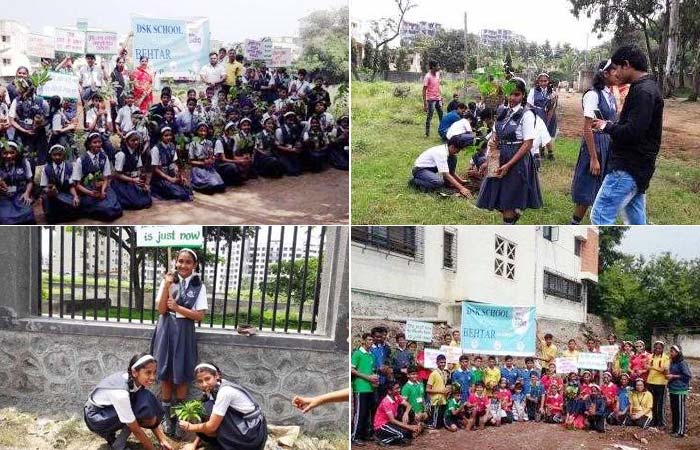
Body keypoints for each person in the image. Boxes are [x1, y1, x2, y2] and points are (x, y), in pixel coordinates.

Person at [591, 45, 664, 225]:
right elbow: (637, 127)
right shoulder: (645, 88)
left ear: (626, 65)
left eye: (616, 68)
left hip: (627, 168)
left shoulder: (643, 91)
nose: (615, 73)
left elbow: (632, 133)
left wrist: (606, 126)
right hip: (638, 168)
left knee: (600, 216)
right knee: (636, 221)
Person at [151, 249, 208, 438]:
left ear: (195, 265)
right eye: (180, 261)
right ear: (175, 262)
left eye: (188, 262)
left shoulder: (199, 286)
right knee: (166, 374)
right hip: (166, 330)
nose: (183, 265)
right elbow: (160, 310)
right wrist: (167, 285)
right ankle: (167, 418)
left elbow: (199, 316)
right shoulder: (167, 281)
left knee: (182, 375)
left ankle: (179, 420)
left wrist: (178, 308)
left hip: (184, 332)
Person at [476, 77, 542, 224]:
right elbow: (495, 136)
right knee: (498, 197)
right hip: (500, 157)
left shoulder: (527, 114)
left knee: (508, 200)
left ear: (523, 95)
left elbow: (528, 144)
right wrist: (488, 160)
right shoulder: (501, 111)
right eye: (510, 94)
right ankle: (514, 215)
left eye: (517, 94)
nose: (512, 98)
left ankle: (509, 223)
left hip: (516, 160)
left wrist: (509, 165)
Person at [83, 353, 171, 450]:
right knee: (134, 413)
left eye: (154, 372)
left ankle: (115, 442)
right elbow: (135, 429)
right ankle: (117, 445)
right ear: (134, 372)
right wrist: (151, 448)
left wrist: (162, 440)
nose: (153, 377)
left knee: (145, 399)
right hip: (96, 417)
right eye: (148, 372)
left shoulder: (135, 381)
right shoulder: (121, 394)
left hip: (108, 411)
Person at [571, 60, 619, 225]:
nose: (618, 74)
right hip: (596, 144)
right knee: (587, 188)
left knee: (603, 188)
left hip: (608, 144)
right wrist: (593, 157)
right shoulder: (593, 95)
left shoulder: (610, 95)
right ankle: (574, 224)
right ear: (605, 74)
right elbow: (587, 128)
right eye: (614, 71)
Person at [179, 363, 267, 450]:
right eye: (200, 381)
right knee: (205, 407)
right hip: (244, 427)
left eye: (207, 379)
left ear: (217, 375)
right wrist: (194, 444)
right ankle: (222, 442)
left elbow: (211, 426)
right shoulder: (212, 389)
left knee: (208, 412)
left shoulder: (225, 392)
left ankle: (234, 445)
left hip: (252, 434)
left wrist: (189, 427)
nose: (204, 384)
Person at [71, 133, 122, 221]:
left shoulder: (104, 157)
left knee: (115, 206)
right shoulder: (81, 160)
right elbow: (77, 184)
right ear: (89, 144)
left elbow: (106, 178)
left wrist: (103, 190)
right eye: (95, 142)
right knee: (106, 210)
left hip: (101, 187)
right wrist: (90, 193)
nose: (98, 144)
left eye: (99, 142)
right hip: (87, 191)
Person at [408, 134, 473, 197]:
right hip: (420, 170)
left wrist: (461, 181)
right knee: (438, 182)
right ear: (452, 146)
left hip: (430, 169)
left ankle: (447, 184)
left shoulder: (448, 153)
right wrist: (462, 188)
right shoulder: (441, 153)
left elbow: (451, 172)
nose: (458, 152)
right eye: (458, 150)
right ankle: (415, 182)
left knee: (453, 158)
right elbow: (446, 174)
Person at [111, 130, 152, 210]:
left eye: (137, 140)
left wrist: (143, 183)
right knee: (136, 203)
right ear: (126, 141)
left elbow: (139, 168)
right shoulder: (122, 154)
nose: (136, 142)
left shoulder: (136, 152)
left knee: (146, 198)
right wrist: (133, 180)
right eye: (132, 140)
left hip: (133, 180)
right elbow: (117, 174)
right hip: (122, 182)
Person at [150, 127, 192, 201]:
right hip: (160, 178)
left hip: (170, 175)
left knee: (188, 190)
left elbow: (174, 163)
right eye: (166, 135)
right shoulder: (156, 149)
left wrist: (180, 176)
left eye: (170, 135)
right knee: (181, 194)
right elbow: (155, 168)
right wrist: (169, 179)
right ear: (161, 136)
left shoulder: (172, 146)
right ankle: (156, 189)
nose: (168, 137)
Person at [40, 144, 79, 223]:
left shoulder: (70, 167)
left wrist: (75, 196)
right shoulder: (46, 168)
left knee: (75, 208)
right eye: (54, 155)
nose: (57, 157)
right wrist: (49, 190)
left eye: (59, 155)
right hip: (52, 196)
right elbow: (44, 186)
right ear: (51, 155)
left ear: (64, 155)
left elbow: (71, 186)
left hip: (66, 193)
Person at [373, 381, 420, 445]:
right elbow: (392, 420)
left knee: (407, 431)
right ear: (389, 391)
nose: (399, 390)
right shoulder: (386, 402)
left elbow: (409, 405)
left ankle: (402, 436)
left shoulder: (397, 396)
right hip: (382, 425)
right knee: (403, 435)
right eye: (396, 388)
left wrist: (406, 413)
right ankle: (382, 439)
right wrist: (409, 426)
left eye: (399, 388)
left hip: (390, 423)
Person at [351, 333, 377, 446]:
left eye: (372, 340)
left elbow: (371, 371)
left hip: (370, 388)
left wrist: (375, 379)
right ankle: (355, 436)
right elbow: (352, 370)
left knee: (367, 412)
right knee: (360, 412)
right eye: (369, 340)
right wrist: (367, 378)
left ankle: (365, 434)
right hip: (360, 387)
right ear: (363, 341)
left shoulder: (371, 355)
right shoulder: (357, 353)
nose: (371, 342)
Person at [0, 141, 35, 224]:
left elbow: (30, 182)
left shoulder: (24, 163)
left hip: (19, 194)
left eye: (12, 152)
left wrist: (27, 193)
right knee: (4, 218)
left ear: (17, 152)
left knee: (28, 214)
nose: (9, 156)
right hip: (3, 197)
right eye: (5, 153)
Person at [526, 72, 557, 160]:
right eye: (541, 81)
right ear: (538, 82)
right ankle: (541, 151)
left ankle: (550, 153)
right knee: (538, 133)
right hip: (538, 113)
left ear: (548, 81)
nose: (543, 83)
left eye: (545, 81)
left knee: (548, 132)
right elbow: (528, 104)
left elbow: (553, 106)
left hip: (549, 114)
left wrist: (549, 116)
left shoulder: (552, 93)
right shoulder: (533, 91)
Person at [188, 122, 225, 194]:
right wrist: (202, 163)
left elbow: (211, 156)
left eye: (205, 131)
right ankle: (195, 185)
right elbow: (190, 161)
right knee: (210, 188)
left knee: (221, 187)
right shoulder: (193, 144)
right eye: (201, 131)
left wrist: (212, 160)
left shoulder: (209, 143)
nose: (203, 133)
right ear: (197, 131)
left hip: (209, 169)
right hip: (198, 168)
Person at [667, 344, 692, 438]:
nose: (671, 353)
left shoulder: (682, 362)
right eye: (671, 351)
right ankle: (674, 429)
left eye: (672, 351)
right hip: (673, 389)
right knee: (674, 410)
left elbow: (687, 376)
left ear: (678, 352)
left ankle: (681, 431)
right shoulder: (673, 362)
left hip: (680, 389)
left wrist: (673, 376)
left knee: (680, 411)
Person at [647, 340, 670, 428]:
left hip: (661, 383)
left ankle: (661, 423)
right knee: (652, 403)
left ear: (662, 349)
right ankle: (654, 421)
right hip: (651, 382)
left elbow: (664, 370)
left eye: (659, 348)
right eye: (656, 348)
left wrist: (652, 367)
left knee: (660, 404)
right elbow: (646, 366)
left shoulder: (665, 357)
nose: (657, 349)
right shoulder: (650, 356)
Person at [274, 111, 304, 176]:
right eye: (289, 118)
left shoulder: (295, 128)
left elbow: (297, 140)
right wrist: (289, 150)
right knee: (291, 171)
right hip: (282, 153)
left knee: (298, 170)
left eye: (293, 118)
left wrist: (298, 144)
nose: (291, 120)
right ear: (285, 120)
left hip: (292, 152)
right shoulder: (279, 130)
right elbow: (277, 146)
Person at [426, 354, 449, 429]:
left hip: (443, 399)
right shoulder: (433, 374)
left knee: (439, 424)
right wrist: (440, 391)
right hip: (436, 400)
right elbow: (427, 389)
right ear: (437, 363)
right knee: (434, 425)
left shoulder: (445, 373)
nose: (443, 364)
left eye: (444, 362)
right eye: (441, 362)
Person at [422, 61, 443, 137]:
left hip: (438, 98)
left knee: (441, 115)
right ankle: (427, 134)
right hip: (430, 99)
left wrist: (441, 96)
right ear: (433, 67)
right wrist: (425, 104)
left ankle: (442, 131)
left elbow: (438, 85)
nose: (439, 67)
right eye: (438, 66)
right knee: (429, 116)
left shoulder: (437, 74)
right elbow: (424, 90)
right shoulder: (427, 76)